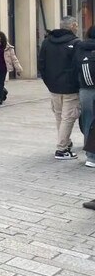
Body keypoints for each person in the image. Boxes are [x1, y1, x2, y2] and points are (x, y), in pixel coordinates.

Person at [38, 16, 80, 160]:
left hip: (53, 87)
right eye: (76, 25)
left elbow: (41, 64)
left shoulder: (47, 42)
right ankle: (62, 149)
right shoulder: (76, 43)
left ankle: (66, 143)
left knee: (60, 117)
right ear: (72, 26)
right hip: (70, 88)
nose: (77, 28)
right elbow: (78, 66)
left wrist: (49, 82)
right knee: (68, 118)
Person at [75, 25, 95, 168]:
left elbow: (73, 68)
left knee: (88, 122)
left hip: (85, 90)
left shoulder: (80, 47)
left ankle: (90, 157)